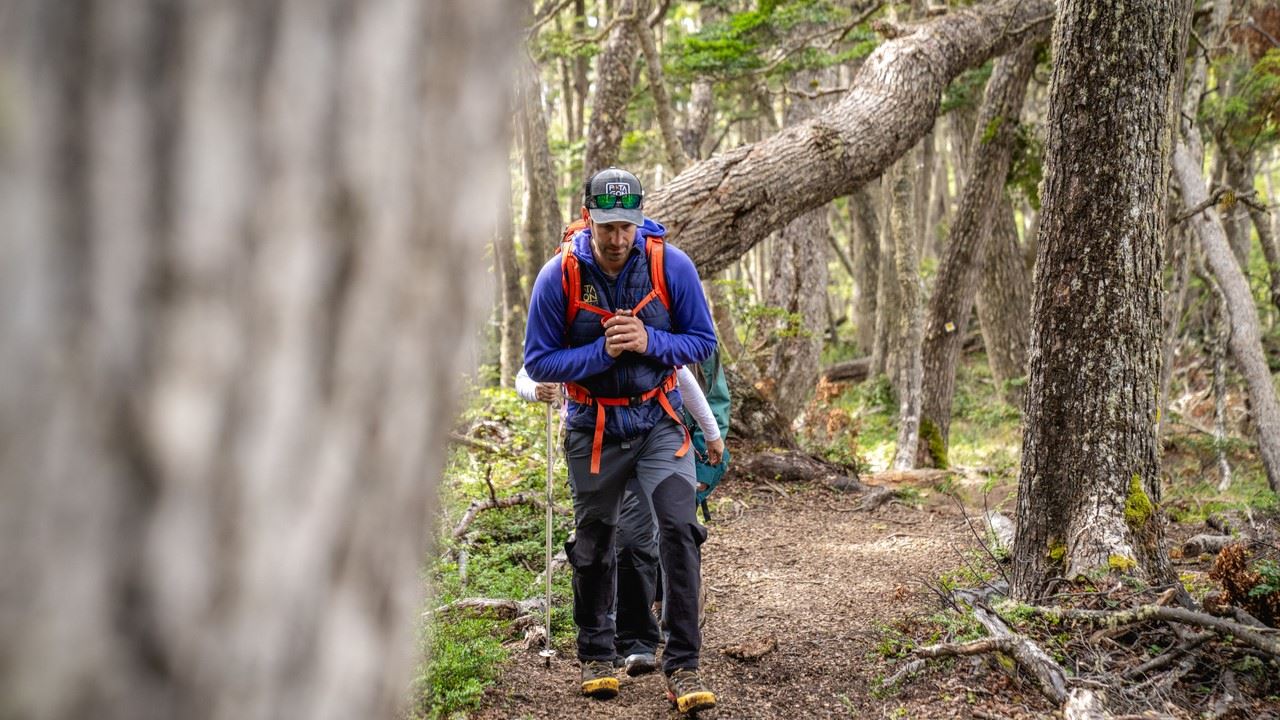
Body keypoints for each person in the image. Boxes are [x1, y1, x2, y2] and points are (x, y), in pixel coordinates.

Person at [523, 166, 718, 714]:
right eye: (606, 225)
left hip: (658, 421)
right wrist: (602, 353)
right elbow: (538, 362)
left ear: (639, 220)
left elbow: (701, 342)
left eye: (626, 226)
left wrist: (649, 340)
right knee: (595, 540)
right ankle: (596, 655)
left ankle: (683, 663)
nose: (616, 238)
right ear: (588, 217)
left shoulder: (670, 266)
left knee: (679, 529)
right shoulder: (559, 276)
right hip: (593, 427)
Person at [512, 364, 724, 679]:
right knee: (600, 542)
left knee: (650, 537)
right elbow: (528, 371)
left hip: (655, 433)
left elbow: (682, 373)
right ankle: (601, 650)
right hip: (594, 438)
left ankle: (659, 651)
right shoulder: (572, 335)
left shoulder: (656, 335)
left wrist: (712, 433)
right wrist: (536, 390)